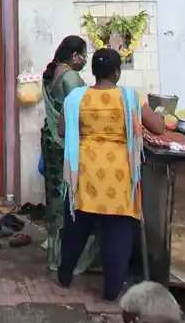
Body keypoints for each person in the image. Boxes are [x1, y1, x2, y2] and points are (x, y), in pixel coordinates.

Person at [58, 48, 165, 302]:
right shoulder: (131, 98)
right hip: (118, 177)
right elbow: (158, 128)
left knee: (75, 229)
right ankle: (111, 291)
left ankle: (64, 277)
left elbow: (63, 129)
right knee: (117, 233)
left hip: (83, 173)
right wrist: (159, 113)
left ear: (93, 71)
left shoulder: (76, 98)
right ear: (117, 71)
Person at [41, 35, 96, 274]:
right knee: (72, 197)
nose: (85, 60)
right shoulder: (71, 77)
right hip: (66, 143)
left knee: (54, 197)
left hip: (50, 140)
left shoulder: (51, 73)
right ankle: (73, 257)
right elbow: (81, 111)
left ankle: (54, 255)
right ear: (75, 56)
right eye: (84, 55)